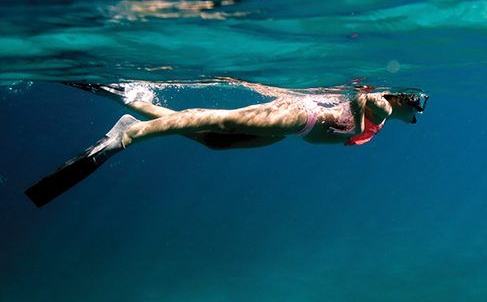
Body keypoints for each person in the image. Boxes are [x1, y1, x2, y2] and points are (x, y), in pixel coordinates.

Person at [24, 80, 428, 208]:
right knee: (219, 120)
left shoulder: (388, 119)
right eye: (420, 105)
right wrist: (356, 124)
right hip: (301, 116)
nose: (420, 114)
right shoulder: (385, 108)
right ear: (406, 99)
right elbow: (362, 96)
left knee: (215, 141)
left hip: (294, 129)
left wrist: (356, 130)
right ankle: (129, 134)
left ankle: (134, 103)